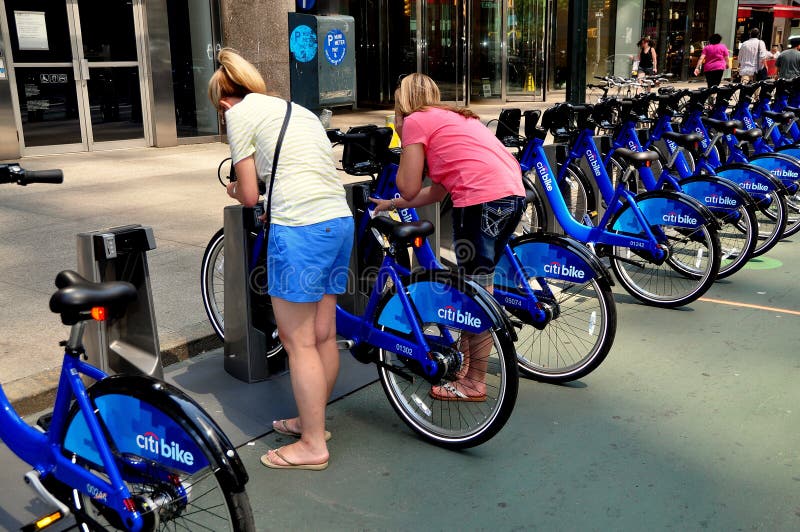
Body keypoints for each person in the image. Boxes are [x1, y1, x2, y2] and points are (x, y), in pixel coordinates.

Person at [208, 48, 353, 471]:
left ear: (222, 101)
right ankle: (314, 424)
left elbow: (250, 194)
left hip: (302, 228)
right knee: (323, 335)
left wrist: (234, 190)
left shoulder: (238, 115)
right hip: (337, 220)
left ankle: (312, 445)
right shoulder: (296, 109)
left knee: (298, 342)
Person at [370, 73, 525, 401]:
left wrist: (400, 133)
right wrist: (392, 205)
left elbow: (409, 185)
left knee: (476, 292)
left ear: (404, 103)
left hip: (481, 200)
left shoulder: (415, 121)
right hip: (511, 195)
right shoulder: (452, 118)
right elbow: (437, 190)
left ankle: (474, 383)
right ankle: (469, 369)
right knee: (478, 285)